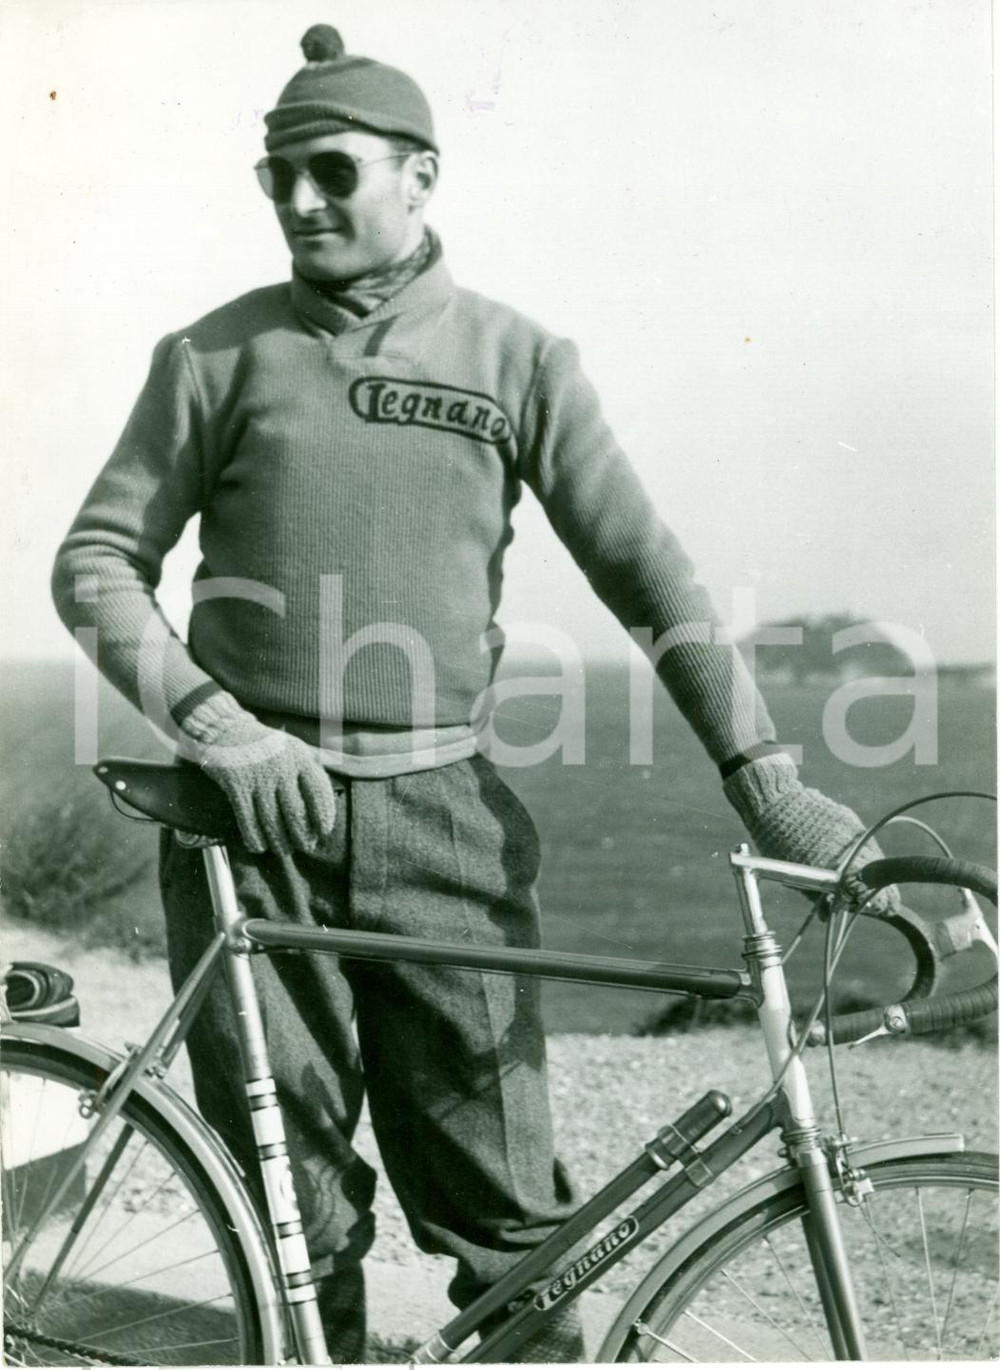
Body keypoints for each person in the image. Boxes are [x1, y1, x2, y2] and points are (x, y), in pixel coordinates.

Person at [52, 24, 896, 1362]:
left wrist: (769, 778)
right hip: (246, 830)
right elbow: (96, 562)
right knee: (294, 1221)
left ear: (421, 174)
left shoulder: (520, 361)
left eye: (330, 170)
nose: (300, 200)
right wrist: (218, 724)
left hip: (446, 825)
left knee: (517, 1238)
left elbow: (650, 575)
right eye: (278, 177)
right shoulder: (210, 359)